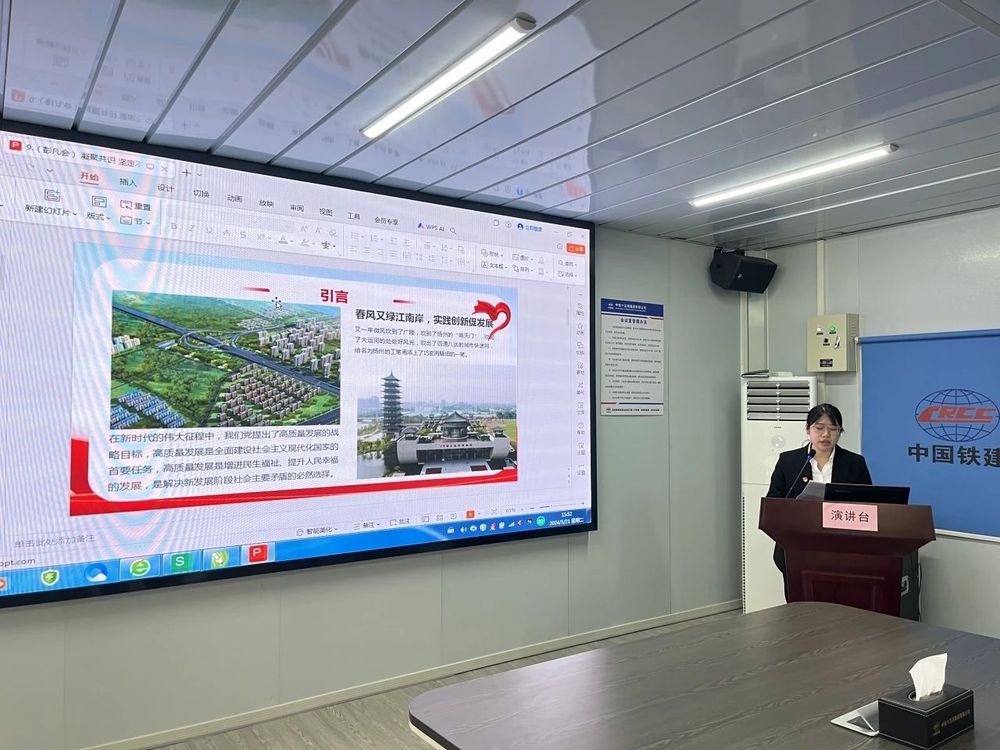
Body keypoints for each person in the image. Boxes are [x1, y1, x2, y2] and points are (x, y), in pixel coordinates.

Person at [768, 403, 872, 596]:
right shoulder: (788, 461)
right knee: (800, 604)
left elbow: (868, 505)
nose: (826, 435)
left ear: (840, 432)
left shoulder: (854, 463)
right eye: (819, 428)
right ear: (808, 429)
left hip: (841, 549)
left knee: (839, 604)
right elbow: (773, 503)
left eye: (833, 429)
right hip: (797, 548)